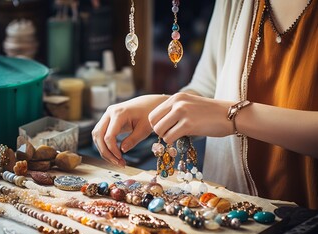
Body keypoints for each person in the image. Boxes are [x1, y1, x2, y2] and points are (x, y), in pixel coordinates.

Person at [92, 0, 318, 210]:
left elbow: (218, 110)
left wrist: (234, 116)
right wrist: (165, 104)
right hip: (229, 211)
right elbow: (208, 86)